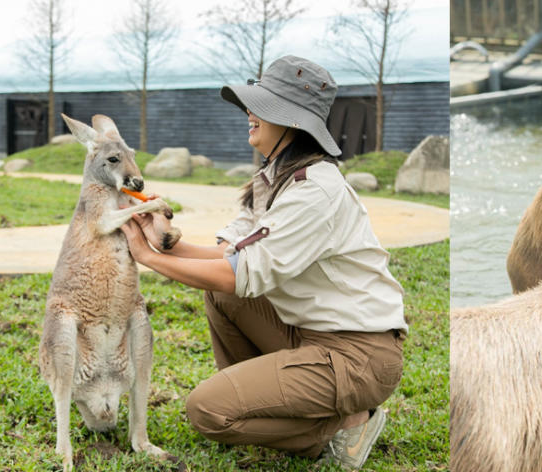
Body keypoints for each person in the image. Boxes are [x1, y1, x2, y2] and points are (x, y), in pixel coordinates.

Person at [119, 55, 408, 469]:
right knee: (221, 296)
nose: (249, 113)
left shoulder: (314, 192)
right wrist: (162, 242)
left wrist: (146, 257)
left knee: (208, 411)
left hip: (358, 355)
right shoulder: (275, 178)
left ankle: (343, 426)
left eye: (261, 105)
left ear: (290, 120)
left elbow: (240, 274)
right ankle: (277, 404)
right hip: (308, 338)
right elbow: (230, 254)